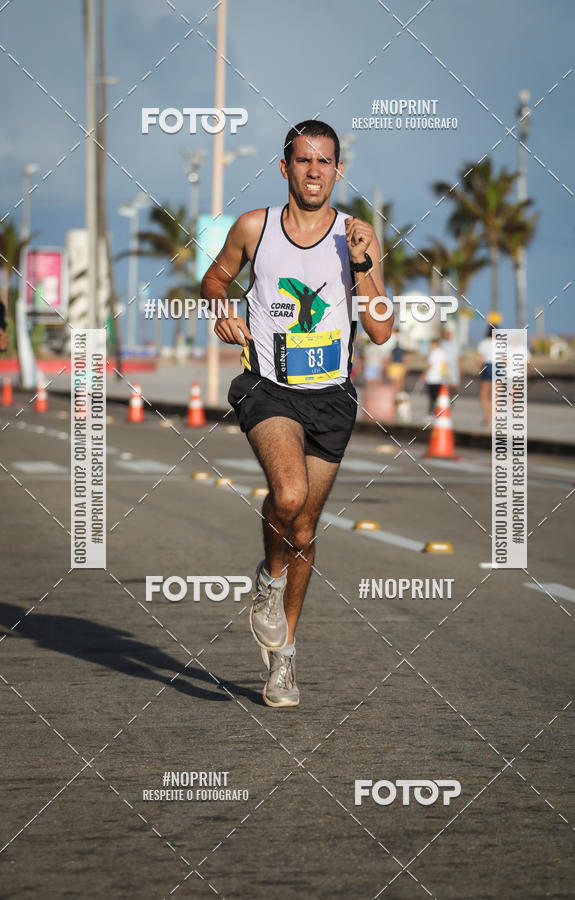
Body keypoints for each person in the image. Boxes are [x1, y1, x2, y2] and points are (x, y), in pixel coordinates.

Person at [201, 120, 392, 708]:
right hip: (269, 388)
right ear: (285, 167)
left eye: (326, 161)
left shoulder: (357, 237)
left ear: (339, 169)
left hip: (332, 396)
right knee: (287, 495)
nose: (315, 171)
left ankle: (283, 659)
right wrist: (224, 310)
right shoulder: (254, 227)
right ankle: (269, 580)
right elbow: (214, 278)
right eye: (304, 160)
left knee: (305, 529)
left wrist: (363, 264)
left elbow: (381, 329)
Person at [423, 336, 448, 415]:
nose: (430, 346)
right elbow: (445, 365)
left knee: (432, 396)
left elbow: (430, 365)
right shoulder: (443, 352)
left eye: (431, 344)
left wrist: (424, 372)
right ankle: (437, 410)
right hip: (440, 378)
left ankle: (431, 411)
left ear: (435, 344)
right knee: (437, 396)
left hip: (432, 378)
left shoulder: (433, 353)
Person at [477, 324, 495, 424]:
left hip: (488, 366)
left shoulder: (484, 343)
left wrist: (480, 369)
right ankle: (494, 416)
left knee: (484, 394)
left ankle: (488, 415)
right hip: (498, 367)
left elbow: (479, 358)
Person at [440, 327, 461, 395]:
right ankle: (446, 396)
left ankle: (452, 395)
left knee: (454, 384)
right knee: (444, 383)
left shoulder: (455, 344)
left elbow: (458, 357)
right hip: (444, 366)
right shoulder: (442, 343)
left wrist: (460, 368)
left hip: (454, 366)